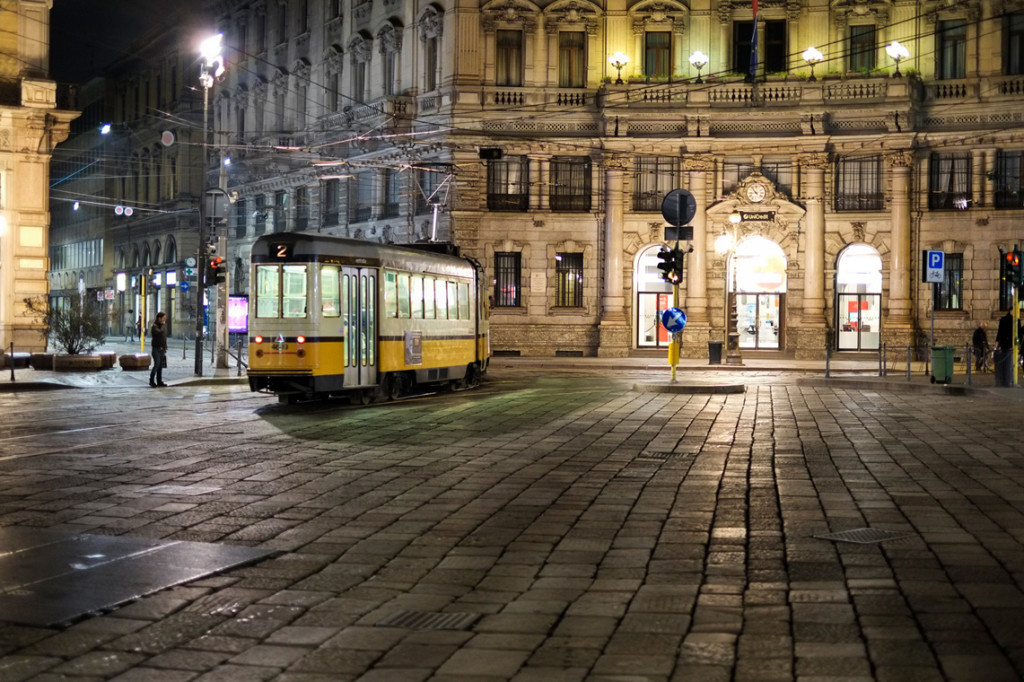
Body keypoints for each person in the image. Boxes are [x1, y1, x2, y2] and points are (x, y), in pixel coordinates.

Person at [149, 312, 168, 388]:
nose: (164, 319)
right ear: (159, 318)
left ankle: (159, 381)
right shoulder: (154, 326)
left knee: (160, 366)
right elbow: (160, 333)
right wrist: (163, 326)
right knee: (156, 365)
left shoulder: (163, 326)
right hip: (156, 348)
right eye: (163, 318)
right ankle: (151, 380)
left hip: (162, 348)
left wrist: (165, 347)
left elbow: (164, 338)